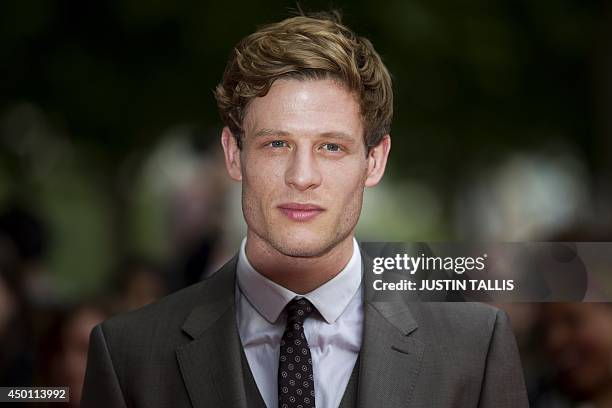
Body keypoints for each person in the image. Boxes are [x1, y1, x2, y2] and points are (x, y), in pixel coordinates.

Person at [81, 12, 528, 408]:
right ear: (233, 154)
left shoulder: (475, 347)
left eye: (331, 147)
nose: (302, 175)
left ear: (375, 161)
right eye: (276, 144)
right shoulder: (128, 355)